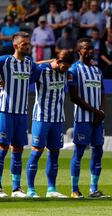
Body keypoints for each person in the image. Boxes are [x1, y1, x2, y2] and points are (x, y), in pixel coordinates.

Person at [0, 31, 36, 198]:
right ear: (16, 45)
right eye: (24, 44)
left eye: (28, 43)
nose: (27, 46)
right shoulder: (4, 61)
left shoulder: (29, 63)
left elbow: (40, 65)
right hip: (6, 111)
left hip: (21, 113)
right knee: (3, 148)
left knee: (18, 149)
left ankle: (16, 188)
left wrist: (55, 60)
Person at [25, 50, 74, 198]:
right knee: (37, 151)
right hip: (41, 118)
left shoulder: (66, 72)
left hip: (58, 119)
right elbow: (28, 65)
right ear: (58, 62)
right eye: (64, 65)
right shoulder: (41, 71)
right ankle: (31, 189)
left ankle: (51, 189)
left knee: (54, 153)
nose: (66, 69)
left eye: (68, 66)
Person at [68, 38, 110, 199]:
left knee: (98, 151)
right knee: (79, 152)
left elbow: (102, 93)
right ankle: (74, 189)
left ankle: (94, 189)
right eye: (86, 48)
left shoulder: (97, 70)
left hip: (98, 119)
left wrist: (101, 112)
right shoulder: (74, 70)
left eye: (92, 48)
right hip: (82, 118)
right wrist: (95, 111)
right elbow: (74, 97)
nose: (90, 51)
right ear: (79, 51)